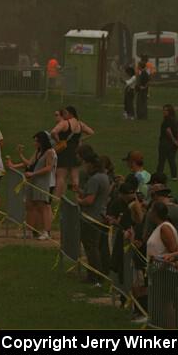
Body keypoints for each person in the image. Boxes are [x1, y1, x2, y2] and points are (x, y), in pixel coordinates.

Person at [7, 131, 56, 240]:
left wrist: (33, 173)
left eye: (36, 141)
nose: (34, 143)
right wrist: (20, 155)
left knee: (42, 206)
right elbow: (30, 163)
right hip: (32, 181)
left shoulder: (49, 152)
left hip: (42, 182)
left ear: (42, 141)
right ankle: (29, 231)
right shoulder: (38, 152)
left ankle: (46, 232)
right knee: (30, 205)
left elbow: (49, 167)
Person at [76, 154, 111, 284]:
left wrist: (79, 200)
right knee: (97, 247)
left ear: (91, 165)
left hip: (91, 218)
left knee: (91, 248)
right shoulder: (104, 177)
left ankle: (94, 276)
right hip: (100, 216)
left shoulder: (95, 179)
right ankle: (99, 273)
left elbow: (89, 200)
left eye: (86, 164)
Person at [51, 105, 94, 198]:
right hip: (76, 151)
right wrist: (80, 139)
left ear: (71, 114)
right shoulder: (80, 124)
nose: (64, 115)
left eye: (65, 113)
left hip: (64, 151)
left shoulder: (64, 123)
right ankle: (77, 198)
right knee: (75, 177)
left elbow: (53, 132)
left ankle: (57, 198)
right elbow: (91, 132)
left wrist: (58, 141)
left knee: (61, 177)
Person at [157, 104, 178, 180]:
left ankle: (159, 175)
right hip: (173, 144)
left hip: (165, 143)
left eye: (166, 110)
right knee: (172, 160)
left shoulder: (167, 120)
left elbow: (168, 131)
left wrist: (174, 141)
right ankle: (174, 176)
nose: (164, 111)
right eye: (163, 110)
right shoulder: (175, 119)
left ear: (170, 111)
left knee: (161, 160)